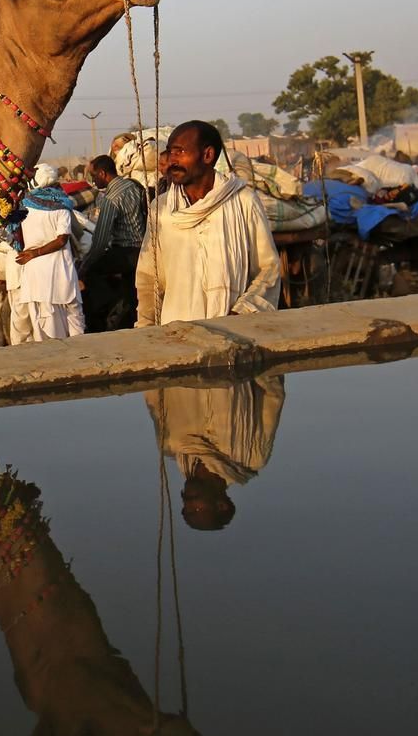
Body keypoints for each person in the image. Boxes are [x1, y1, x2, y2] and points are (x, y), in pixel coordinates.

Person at [136, 121, 281, 326]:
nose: (171, 161)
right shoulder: (161, 209)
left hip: (235, 333)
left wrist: (242, 312)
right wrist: (147, 329)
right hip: (176, 334)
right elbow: (148, 278)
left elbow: (269, 269)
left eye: (179, 152)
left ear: (207, 155)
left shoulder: (243, 201)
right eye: (170, 152)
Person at [144, 375, 285, 531]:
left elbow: (153, 395)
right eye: (196, 510)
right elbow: (273, 397)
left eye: (185, 510)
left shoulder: (169, 445)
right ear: (221, 505)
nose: (186, 503)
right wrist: (248, 366)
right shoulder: (252, 456)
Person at [15, 164, 84, 341]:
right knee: (74, 317)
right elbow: (62, 239)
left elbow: (15, 236)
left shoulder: (23, 206)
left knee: (44, 324)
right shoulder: (62, 205)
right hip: (60, 269)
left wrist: (32, 253)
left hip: (36, 272)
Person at [80, 154, 146, 331]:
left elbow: (100, 241)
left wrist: (85, 265)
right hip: (143, 249)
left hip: (126, 251)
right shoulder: (134, 186)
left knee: (91, 270)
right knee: (130, 294)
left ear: (102, 174)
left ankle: (103, 317)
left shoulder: (111, 199)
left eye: (93, 176)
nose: (93, 181)